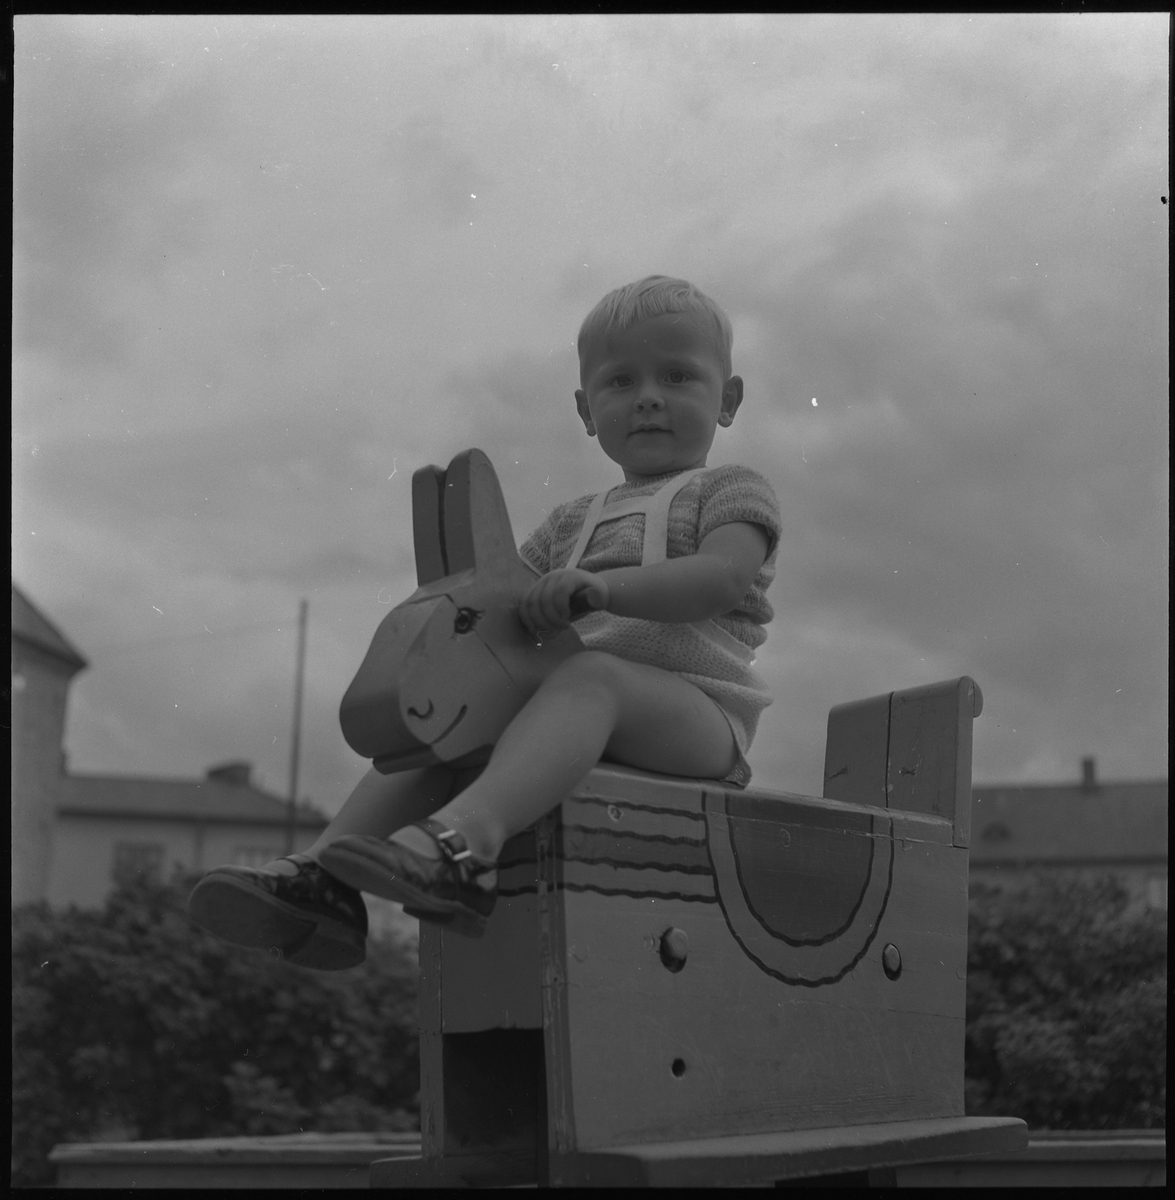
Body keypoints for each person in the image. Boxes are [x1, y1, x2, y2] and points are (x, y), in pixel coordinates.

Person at [188, 276, 780, 968]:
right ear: (587, 411)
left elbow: (720, 579)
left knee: (595, 677)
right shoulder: (569, 522)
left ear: (727, 399)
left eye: (677, 375)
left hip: (698, 716)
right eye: (621, 382)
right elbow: (503, 604)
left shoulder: (730, 489)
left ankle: (468, 847)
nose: (648, 395)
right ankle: (323, 878)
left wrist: (601, 589)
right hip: (578, 705)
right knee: (443, 732)